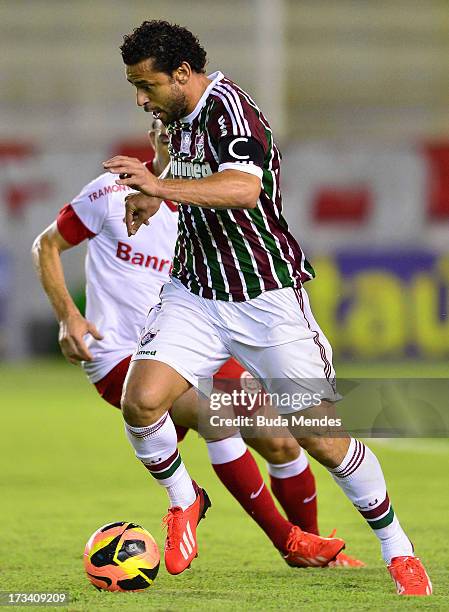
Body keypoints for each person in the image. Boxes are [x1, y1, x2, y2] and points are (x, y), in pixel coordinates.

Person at [102, 20, 431, 595]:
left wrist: (159, 190)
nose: (140, 98)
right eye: (134, 86)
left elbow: (242, 188)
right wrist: (150, 192)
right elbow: (184, 170)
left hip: (266, 300)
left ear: (183, 74)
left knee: (321, 440)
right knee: (141, 401)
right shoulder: (173, 119)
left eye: (147, 85)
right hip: (194, 295)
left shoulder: (233, 110)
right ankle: (186, 501)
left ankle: (396, 547)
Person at [32, 118, 361, 573]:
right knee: (217, 413)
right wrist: (70, 317)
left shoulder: (207, 206)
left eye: (178, 127)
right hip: (120, 355)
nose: (168, 131)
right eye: (160, 124)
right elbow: (45, 245)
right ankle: (287, 541)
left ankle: (318, 550)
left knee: (283, 443)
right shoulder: (109, 193)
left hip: (194, 341)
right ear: (151, 136)